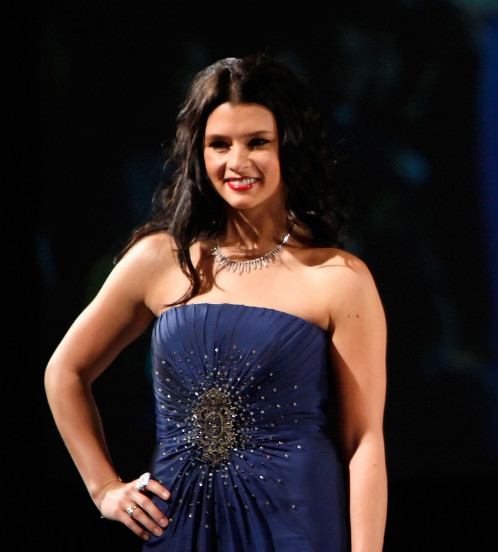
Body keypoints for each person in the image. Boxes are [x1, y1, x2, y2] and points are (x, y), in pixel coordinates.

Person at [44, 54, 387, 551]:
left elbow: (364, 442)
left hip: (299, 527)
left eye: (258, 143)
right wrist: (104, 489)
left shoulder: (338, 278)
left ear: (289, 148)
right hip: (179, 526)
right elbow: (64, 372)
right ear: (199, 154)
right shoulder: (161, 260)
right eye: (219, 144)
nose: (237, 162)